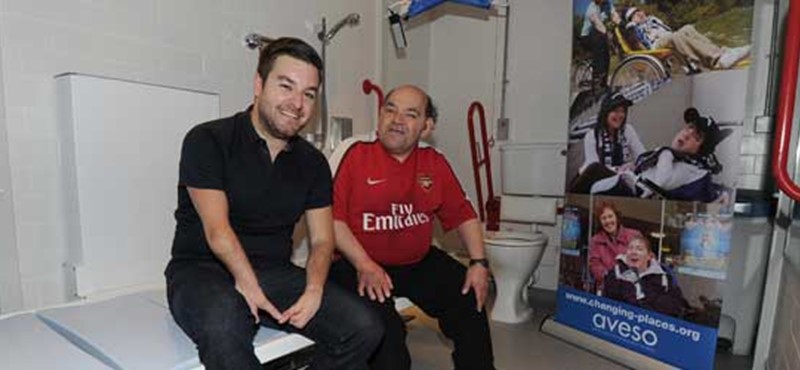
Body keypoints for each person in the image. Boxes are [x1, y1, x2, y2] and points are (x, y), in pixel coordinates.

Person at [165, 37, 382, 370]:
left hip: (273, 273)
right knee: (226, 324)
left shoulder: (313, 163)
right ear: (258, 84)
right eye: (286, 86)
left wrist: (314, 288)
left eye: (309, 94)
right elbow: (217, 229)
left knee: (364, 328)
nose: (297, 103)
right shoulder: (208, 140)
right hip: (203, 269)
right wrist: (247, 287)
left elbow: (323, 240)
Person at [329, 85, 495, 370]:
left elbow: (464, 214)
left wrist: (479, 264)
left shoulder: (434, 161)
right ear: (380, 115)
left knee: (469, 298)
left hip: (416, 261)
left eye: (410, 114)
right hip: (356, 263)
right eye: (390, 110)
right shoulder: (354, 153)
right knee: (388, 338)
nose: (396, 119)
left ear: (426, 127)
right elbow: (332, 220)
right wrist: (365, 264)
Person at [591, 107, 730, 202]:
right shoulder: (677, 159)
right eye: (690, 127)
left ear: (702, 148)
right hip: (626, 186)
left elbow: (659, 183)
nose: (687, 134)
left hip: (632, 197)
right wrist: (633, 167)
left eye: (697, 137)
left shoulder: (692, 169)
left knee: (593, 175)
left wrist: (666, 152)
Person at [624, 7, 751, 70]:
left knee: (687, 28)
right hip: (655, 44)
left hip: (668, 36)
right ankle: (717, 58)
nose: (638, 14)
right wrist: (630, 24)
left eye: (639, 11)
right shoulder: (633, 28)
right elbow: (635, 42)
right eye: (634, 15)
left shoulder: (652, 19)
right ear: (631, 19)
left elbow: (666, 29)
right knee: (675, 36)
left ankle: (721, 55)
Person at [571, 92, 645, 193]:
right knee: (596, 169)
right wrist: (620, 169)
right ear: (606, 112)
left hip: (616, 181)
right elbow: (595, 168)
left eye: (622, 111)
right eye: (615, 111)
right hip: (588, 181)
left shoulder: (628, 131)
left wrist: (634, 165)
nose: (620, 115)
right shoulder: (592, 135)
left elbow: (642, 156)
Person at [603, 236, 689, 317]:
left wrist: (642, 289)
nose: (633, 252)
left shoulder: (664, 278)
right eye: (630, 248)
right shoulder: (616, 273)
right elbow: (608, 303)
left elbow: (675, 307)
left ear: (649, 256)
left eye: (639, 249)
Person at [588, 201, 643, 289]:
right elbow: (595, 265)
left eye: (610, 216)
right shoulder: (595, 241)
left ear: (616, 217)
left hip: (633, 289)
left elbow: (645, 260)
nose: (608, 221)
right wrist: (610, 278)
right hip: (609, 289)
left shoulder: (634, 235)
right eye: (604, 218)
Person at [579, 0, 622, 89]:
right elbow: (598, 25)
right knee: (600, 46)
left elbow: (615, 16)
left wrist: (622, 25)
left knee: (607, 56)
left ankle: (603, 83)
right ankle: (597, 81)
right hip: (587, 37)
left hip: (599, 36)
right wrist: (607, 34)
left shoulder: (608, 4)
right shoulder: (592, 8)